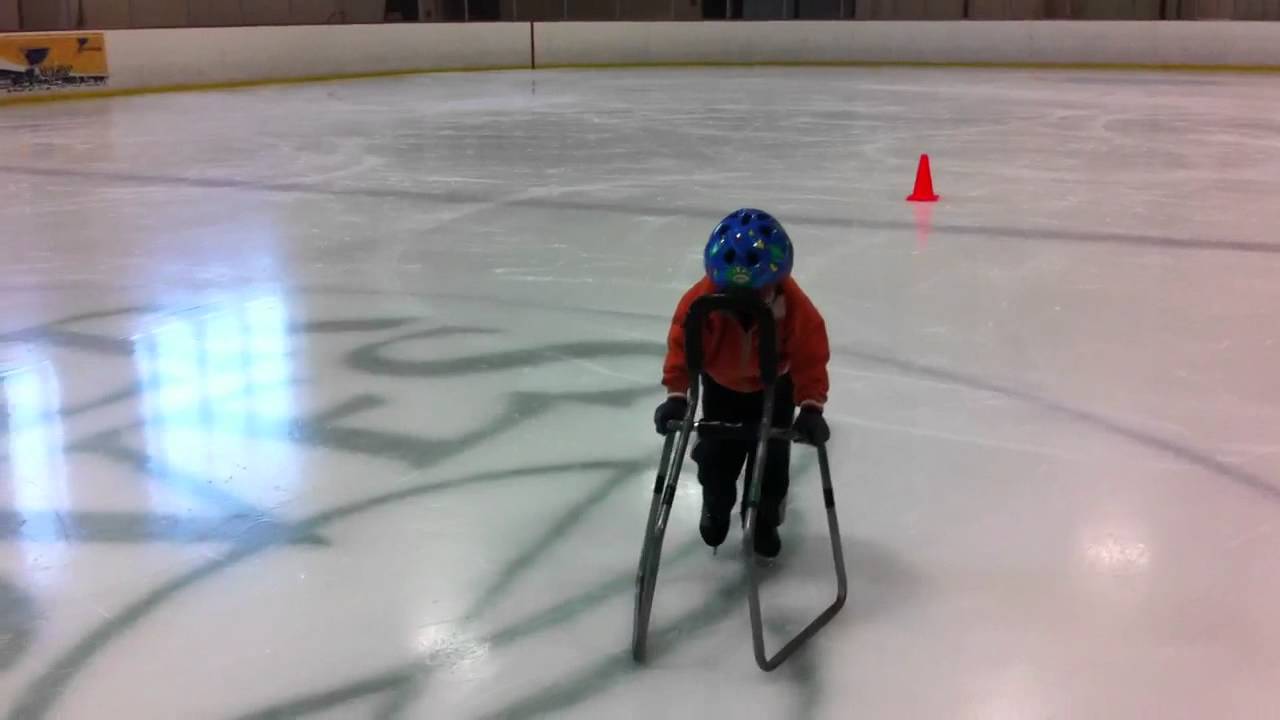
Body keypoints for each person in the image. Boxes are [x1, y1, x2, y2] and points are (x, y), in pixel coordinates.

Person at [653, 208, 831, 558]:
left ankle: (765, 520)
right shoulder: (700, 302)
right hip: (721, 390)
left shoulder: (793, 306)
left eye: (756, 292)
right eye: (731, 291)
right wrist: (677, 393)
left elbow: (811, 353)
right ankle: (716, 505)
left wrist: (811, 405)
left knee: (771, 468)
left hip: (774, 390)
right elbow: (681, 345)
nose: (743, 302)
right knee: (717, 463)